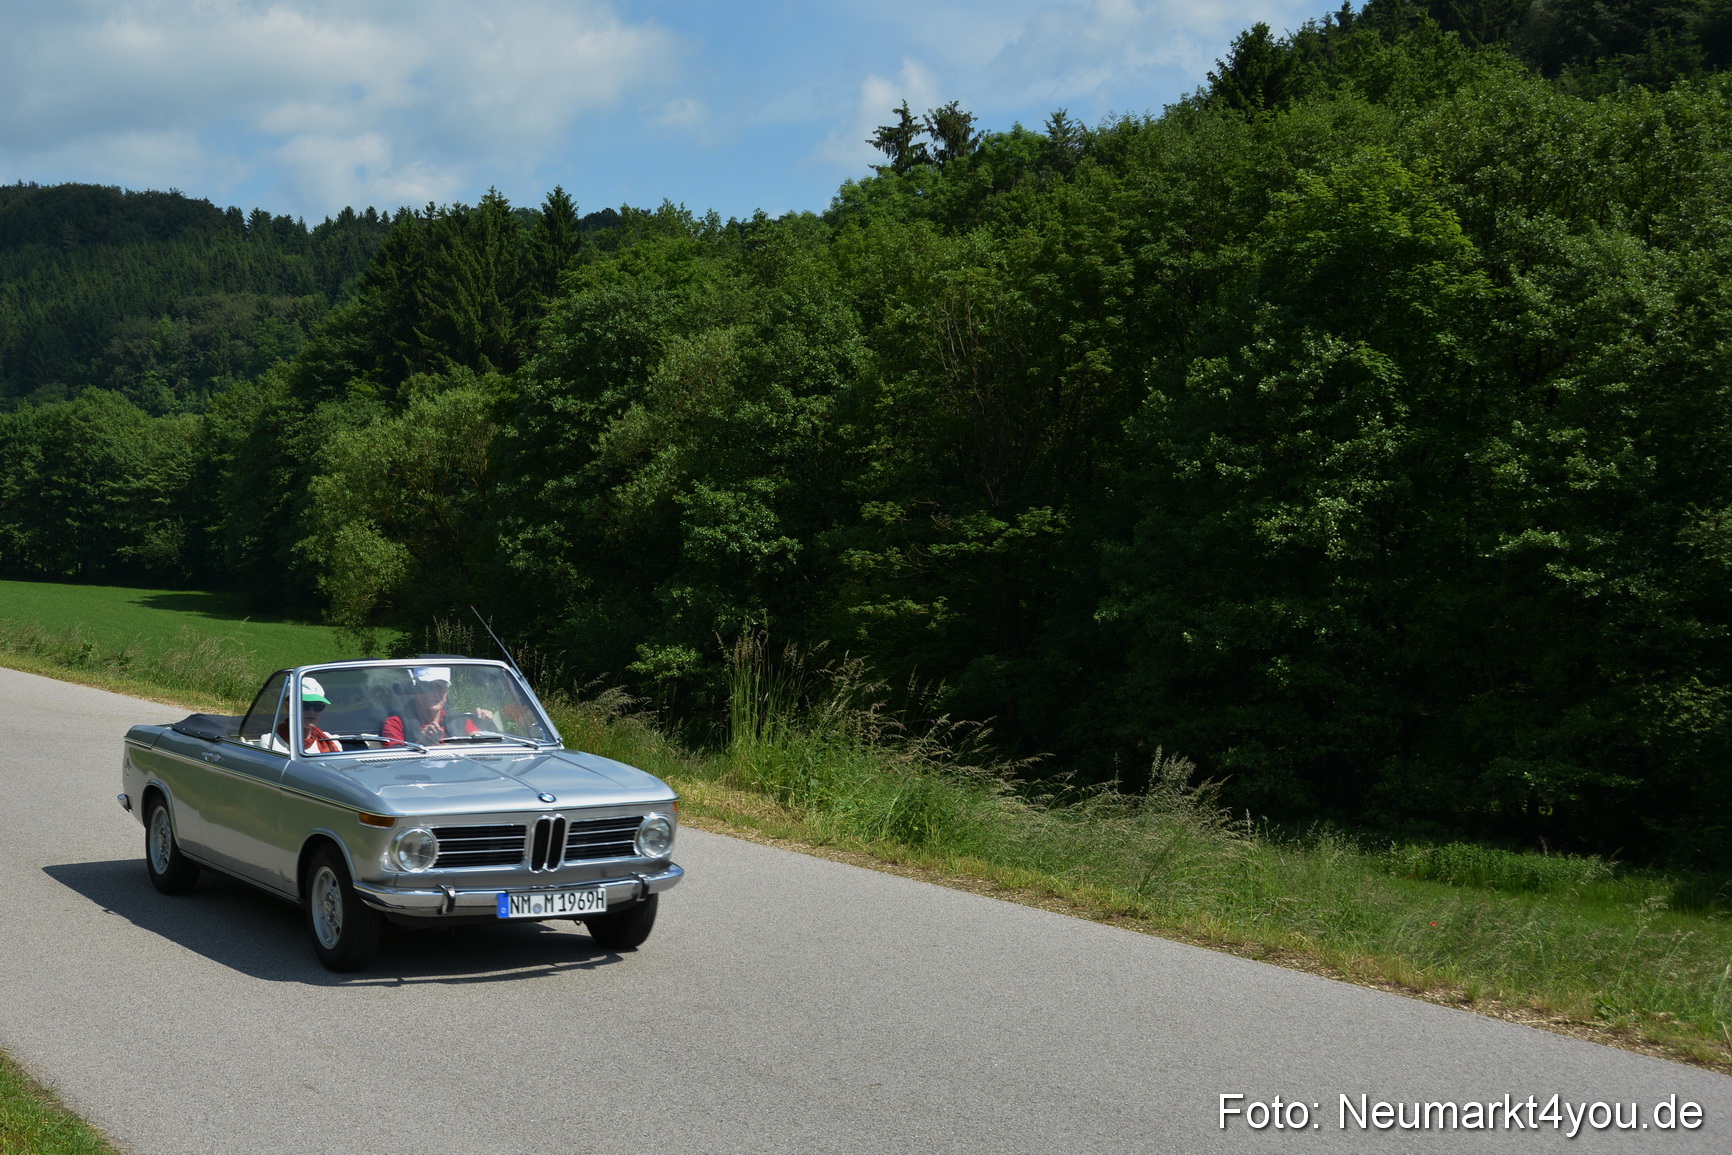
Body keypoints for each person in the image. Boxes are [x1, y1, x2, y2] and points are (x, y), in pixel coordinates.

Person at [381, 667, 494, 746]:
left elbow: (484, 755)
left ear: (447, 692)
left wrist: (483, 728)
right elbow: (394, 765)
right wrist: (422, 744)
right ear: (414, 692)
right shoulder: (395, 723)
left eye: (440, 687)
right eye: (427, 687)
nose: (435, 693)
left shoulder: (460, 720)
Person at [267, 676, 342, 754]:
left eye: (318, 706)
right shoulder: (271, 742)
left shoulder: (330, 740)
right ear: (288, 706)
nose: (311, 712)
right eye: (305, 705)